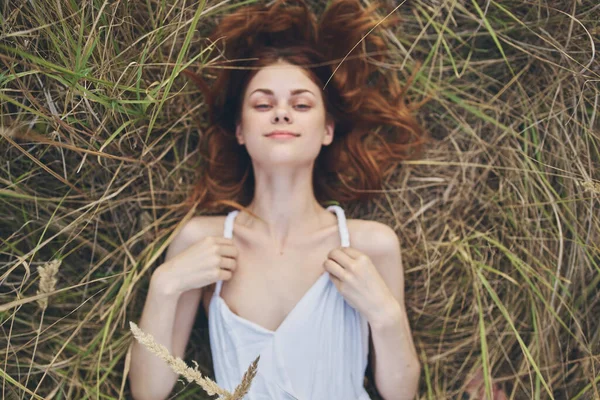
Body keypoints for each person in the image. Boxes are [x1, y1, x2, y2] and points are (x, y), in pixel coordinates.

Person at [129, 0, 432, 399]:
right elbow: (148, 392)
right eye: (263, 103)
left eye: (301, 104)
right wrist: (165, 285)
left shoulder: (370, 245)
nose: (282, 114)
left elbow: (400, 394)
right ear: (240, 130)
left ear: (326, 130)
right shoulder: (201, 242)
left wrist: (385, 314)